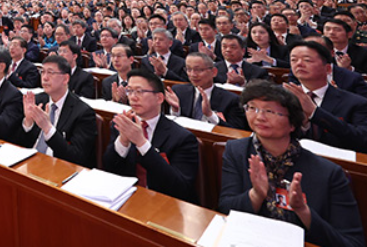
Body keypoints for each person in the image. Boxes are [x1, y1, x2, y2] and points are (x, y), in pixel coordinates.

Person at [219, 81, 365, 247]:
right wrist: (256, 195)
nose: (259, 117)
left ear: (293, 123)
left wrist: (304, 211)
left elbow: (352, 243)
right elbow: (225, 208)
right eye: (252, 108)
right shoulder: (237, 151)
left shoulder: (328, 173)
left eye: (269, 111)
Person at [102, 68, 200, 203]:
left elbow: (180, 187)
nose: (133, 97)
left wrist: (142, 144)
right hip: (129, 198)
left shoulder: (182, 138)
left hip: (165, 203)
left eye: (140, 91)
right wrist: (123, 141)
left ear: (159, 98)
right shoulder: (122, 124)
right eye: (129, 91)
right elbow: (109, 169)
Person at [283, 41, 367, 155]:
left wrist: (315, 113)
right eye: (294, 60)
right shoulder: (282, 97)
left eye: (307, 60)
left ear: (328, 69)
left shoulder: (356, 103)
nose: (299, 64)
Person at [15, 54, 97, 168]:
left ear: (65, 79)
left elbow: (77, 157)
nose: (45, 78)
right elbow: (19, 143)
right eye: (43, 72)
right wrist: (28, 122)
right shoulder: (36, 101)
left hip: (59, 167)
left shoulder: (83, 112)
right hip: (31, 163)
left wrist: (48, 129)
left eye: (50, 72)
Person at [165, 53, 246, 130]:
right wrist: (175, 110)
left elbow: (237, 132)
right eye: (189, 69)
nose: (193, 75)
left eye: (198, 70)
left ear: (214, 72)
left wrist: (210, 114)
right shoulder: (178, 91)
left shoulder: (231, 100)